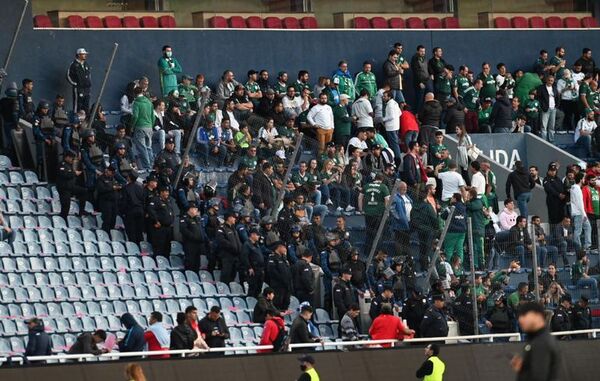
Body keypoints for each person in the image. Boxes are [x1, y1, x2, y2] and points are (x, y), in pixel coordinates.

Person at [511, 302, 561, 381]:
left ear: (537, 316)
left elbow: (538, 378)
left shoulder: (541, 342)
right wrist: (523, 369)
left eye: (524, 315)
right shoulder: (537, 338)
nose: (520, 319)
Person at [56, 150, 88, 220]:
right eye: (71, 158)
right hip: (64, 188)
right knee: (66, 206)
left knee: (84, 191)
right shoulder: (62, 164)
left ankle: (81, 211)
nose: (72, 160)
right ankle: (63, 220)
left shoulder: (70, 165)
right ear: (67, 157)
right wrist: (75, 173)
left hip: (71, 187)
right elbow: (65, 174)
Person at [131, 86, 156, 171]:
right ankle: (152, 165)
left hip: (140, 127)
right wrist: (151, 125)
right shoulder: (149, 102)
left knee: (142, 147)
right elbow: (153, 116)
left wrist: (132, 126)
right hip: (149, 127)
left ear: (134, 94)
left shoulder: (136, 103)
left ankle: (147, 166)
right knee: (149, 147)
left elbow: (135, 116)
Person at [179, 202, 207, 273]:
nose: (196, 211)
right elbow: (183, 230)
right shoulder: (184, 218)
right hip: (190, 244)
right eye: (195, 209)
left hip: (198, 245)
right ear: (190, 209)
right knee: (190, 263)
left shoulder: (197, 219)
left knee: (197, 263)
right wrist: (194, 237)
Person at [147, 186, 175, 257]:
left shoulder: (168, 201)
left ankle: (166, 263)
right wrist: (156, 221)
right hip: (160, 228)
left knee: (167, 248)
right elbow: (151, 210)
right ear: (161, 192)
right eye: (166, 192)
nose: (167, 193)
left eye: (168, 192)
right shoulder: (155, 200)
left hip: (168, 228)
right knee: (159, 248)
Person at [241, 227, 266, 298]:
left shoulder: (256, 244)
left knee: (258, 289)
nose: (258, 236)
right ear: (252, 235)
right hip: (253, 270)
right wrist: (249, 267)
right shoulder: (247, 244)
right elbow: (244, 257)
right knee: (252, 288)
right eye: (257, 235)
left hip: (260, 269)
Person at [96, 164, 121, 233]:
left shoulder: (113, 179)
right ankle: (105, 233)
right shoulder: (101, 178)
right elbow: (101, 189)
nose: (112, 174)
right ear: (108, 171)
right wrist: (112, 188)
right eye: (111, 172)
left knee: (113, 218)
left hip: (114, 201)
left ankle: (111, 234)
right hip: (106, 202)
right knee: (107, 219)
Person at [571, 173, 592, 250]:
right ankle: (578, 247)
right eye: (583, 178)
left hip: (578, 212)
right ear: (580, 179)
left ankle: (587, 246)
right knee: (578, 231)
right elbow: (579, 202)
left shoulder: (574, 187)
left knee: (587, 227)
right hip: (579, 213)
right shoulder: (576, 188)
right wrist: (584, 214)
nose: (584, 180)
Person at [67, 48, 91, 113]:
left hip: (86, 89)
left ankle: (86, 120)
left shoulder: (86, 64)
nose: (85, 55)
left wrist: (88, 83)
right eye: (83, 54)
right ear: (79, 55)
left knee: (86, 105)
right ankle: (76, 119)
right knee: (78, 105)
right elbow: (68, 75)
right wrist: (75, 83)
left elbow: (89, 75)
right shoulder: (74, 65)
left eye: (85, 54)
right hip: (78, 88)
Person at [537, 74, 560, 143]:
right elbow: (539, 98)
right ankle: (544, 141)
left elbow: (558, 98)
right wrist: (542, 106)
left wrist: (556, 106)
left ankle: (551, 140)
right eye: (549, 80)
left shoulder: (554, 88)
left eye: (552, 81)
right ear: (546, 80)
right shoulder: (541, 88)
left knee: (551, 126)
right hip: (545, 109)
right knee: (544, 126)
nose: (550, 82)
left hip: (553, 108)